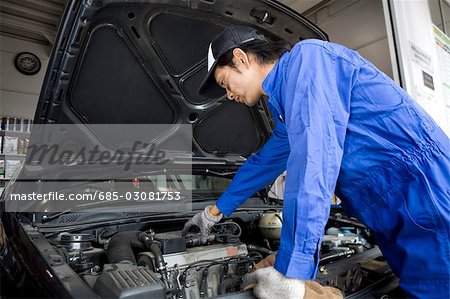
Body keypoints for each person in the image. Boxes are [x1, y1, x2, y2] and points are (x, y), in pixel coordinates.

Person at [182, 25, 450, 298]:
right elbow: (263, 163)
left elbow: (312, 165)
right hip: (392, 209)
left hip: (422, 193)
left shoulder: (308, 61)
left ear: (241, 58)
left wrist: (289, 271)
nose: (228, 95)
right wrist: (214, 212)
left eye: (226, 83)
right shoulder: (288, 101)